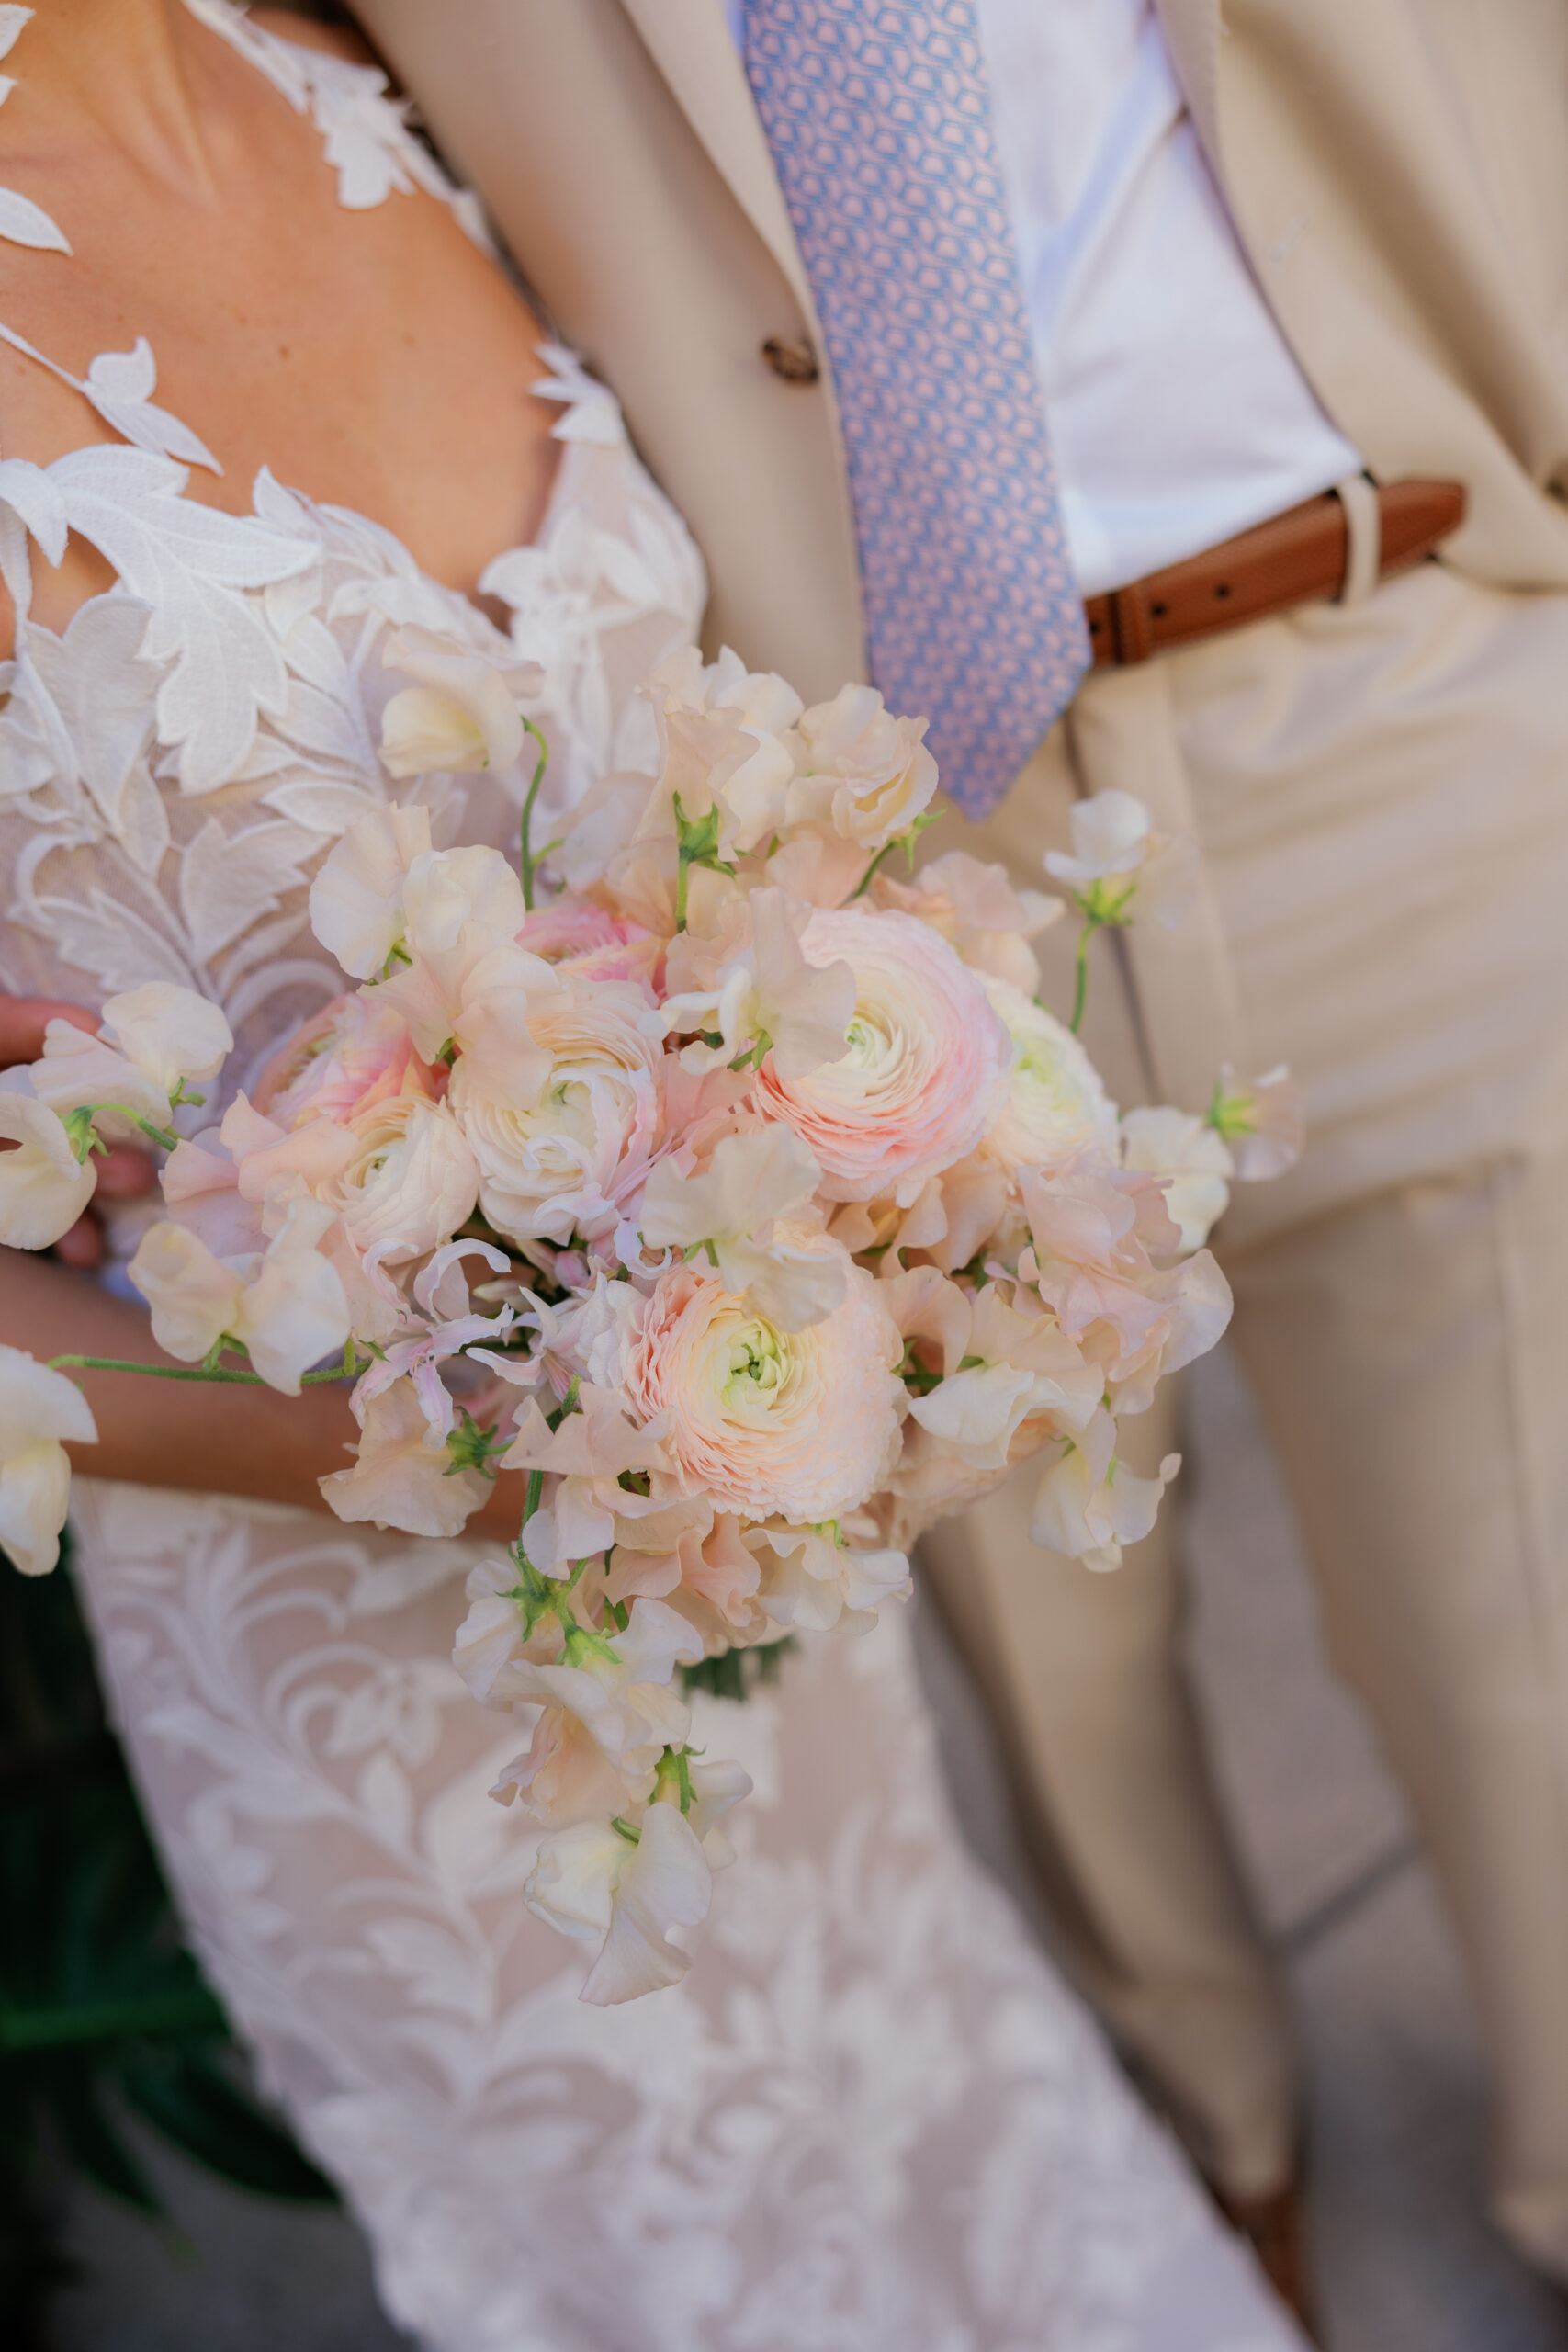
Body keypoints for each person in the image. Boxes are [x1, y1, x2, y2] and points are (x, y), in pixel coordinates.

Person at [0, 4, 1307, 2347]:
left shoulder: (341, 52)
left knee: (949, 2106)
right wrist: (481, 1448)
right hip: (398, 1724)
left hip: (751, 1523)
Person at [347, 0, 1568, 2293]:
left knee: (1536, 1603)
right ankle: (1203, 2155)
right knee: (1039, 1644)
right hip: (871, 829)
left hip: (1389, 658)